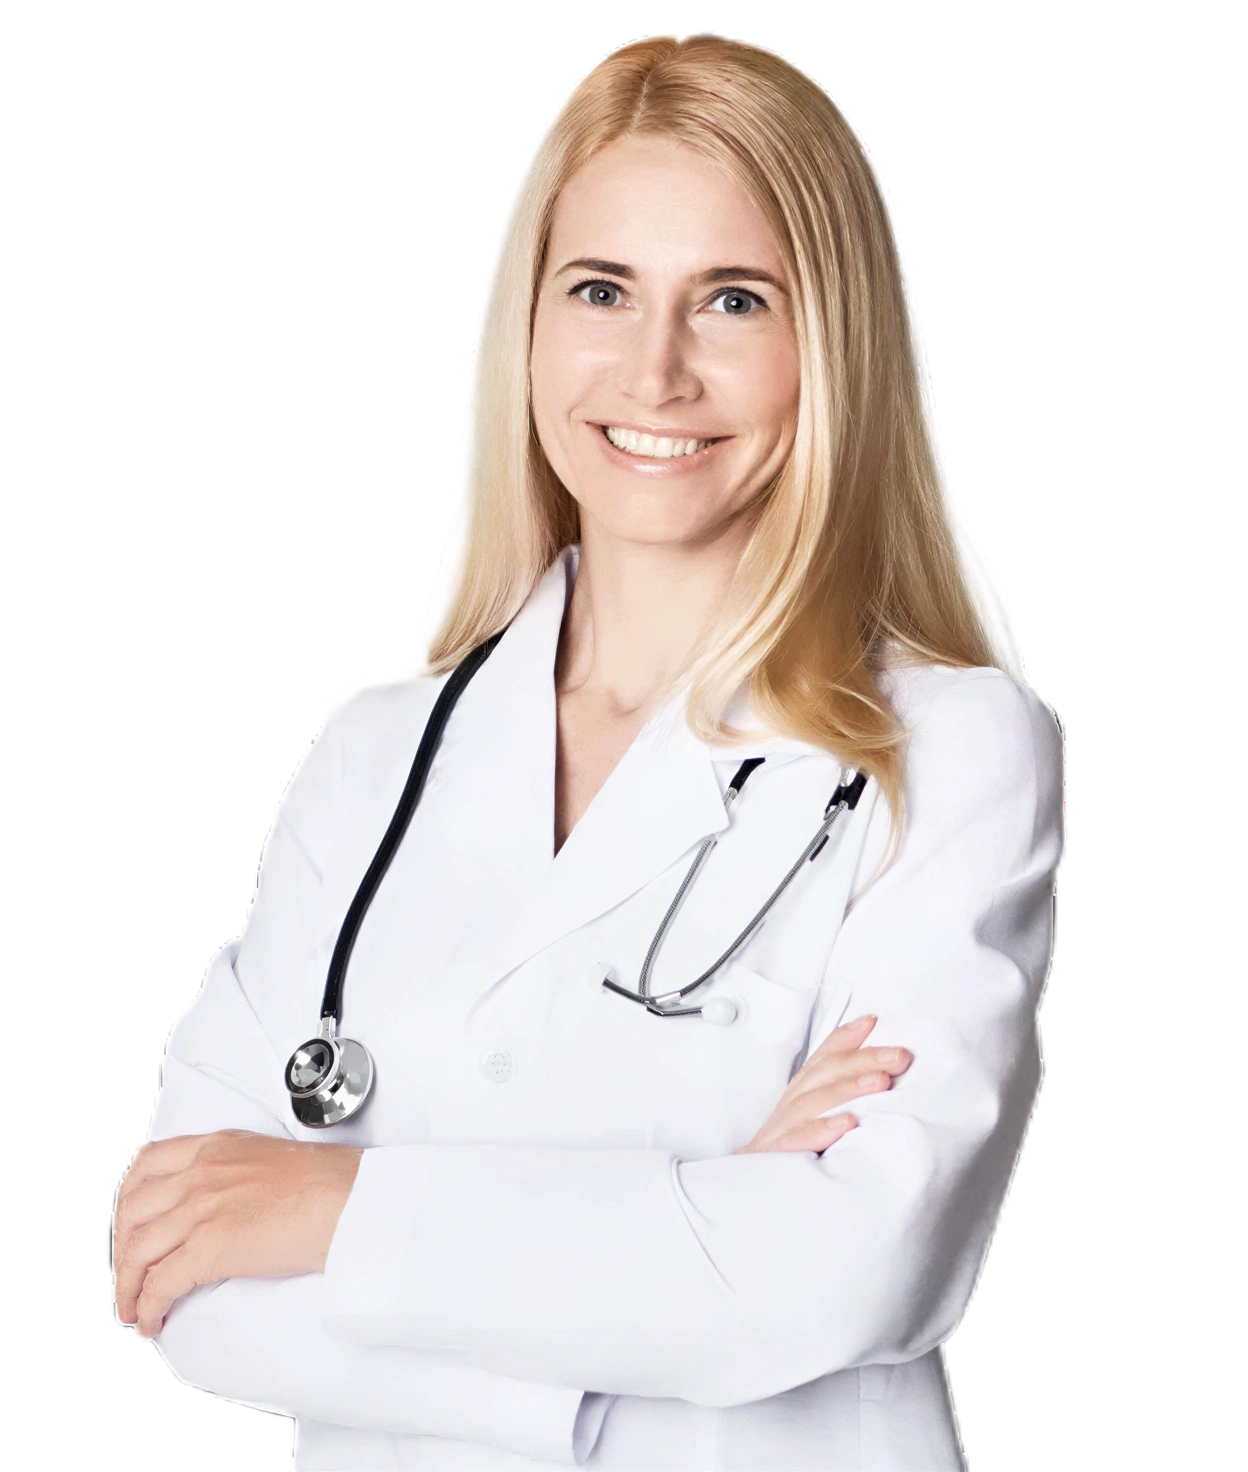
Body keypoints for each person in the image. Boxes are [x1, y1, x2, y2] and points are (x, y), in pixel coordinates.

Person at [111, 31, 1064, 1472]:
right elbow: (179, 1275)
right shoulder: (373, 759)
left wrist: (333, 1210)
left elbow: (855, 1270)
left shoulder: (945, 752)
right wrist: (694, 1240)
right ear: (530, 327)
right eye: (602, 291)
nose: (654, 371)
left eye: (732, 300)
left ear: (834, 347)